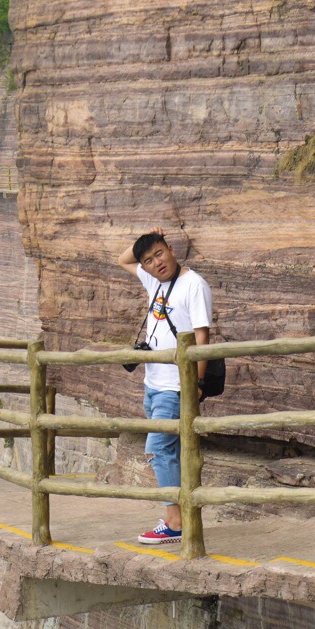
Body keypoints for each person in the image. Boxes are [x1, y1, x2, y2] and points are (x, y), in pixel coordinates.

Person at [116, 230, 213, 544]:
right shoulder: (152, 281)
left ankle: (175, 522)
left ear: (171, 249)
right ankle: (183, 516)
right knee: (170, 452)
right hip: (153, 383)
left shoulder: (193, 285)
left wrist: (196, 383)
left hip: (175, 386)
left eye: (159, 253)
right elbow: (123, 259)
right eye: (148, 260)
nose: (156, 262)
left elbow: (201, 338)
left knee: (157, 449)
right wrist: (146, 241)